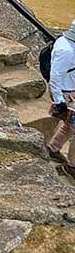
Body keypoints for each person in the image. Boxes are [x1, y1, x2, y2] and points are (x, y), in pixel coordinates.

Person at [47, 20, 75, 178]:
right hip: (65, 93)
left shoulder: (64, 42)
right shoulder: (67, 51)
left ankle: (53, 149)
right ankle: (72, 166)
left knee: (68, 125)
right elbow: (56, 77)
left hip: (69, 90)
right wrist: (59, 101)